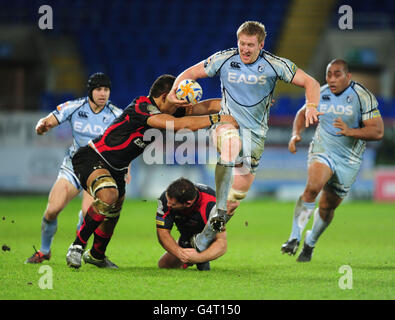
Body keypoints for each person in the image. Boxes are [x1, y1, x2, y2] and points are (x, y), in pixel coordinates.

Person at [167, 20, 322, 252]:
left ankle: (201, 241)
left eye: (250, 45)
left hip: (255, 137)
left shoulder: (275, 65)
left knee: (234, 201)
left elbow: (311, 82)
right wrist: (173, 92)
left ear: (261, 44)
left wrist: (311, 105)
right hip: (226, 124)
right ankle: (218, 208)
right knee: (231, 144)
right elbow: (189, 73)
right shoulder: (225, 59)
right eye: (242, 44)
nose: (245, 49)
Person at [65, 74, 238, 269]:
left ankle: (96, 255)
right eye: (176, 102)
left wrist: (243, 106)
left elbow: (208, 105)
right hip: (92, 156)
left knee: (112, 213)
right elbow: (183, 125)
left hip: (117, 168)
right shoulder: (142, 107)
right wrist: (219, 119)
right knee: (108, 194)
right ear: (165, 96)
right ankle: (77, 246)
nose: (180, 109)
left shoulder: (170, 110)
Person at [281, 59, 384, 262]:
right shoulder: (321, 93)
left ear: (348, 76)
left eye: (337, 74)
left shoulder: (363, 96)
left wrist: (351, 132)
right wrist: (295, 134)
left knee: (327, 208)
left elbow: (378, 131)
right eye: (329, 74)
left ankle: (310, 243)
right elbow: (302, 114)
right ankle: (294, 236)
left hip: (349, 160)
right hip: (323, 149)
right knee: (313, 188)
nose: (332, 79)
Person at [25, 72, 126, 264]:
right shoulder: (75, 107)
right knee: (52, 210)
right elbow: (50, 119)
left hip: (98, 170)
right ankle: (45, 251)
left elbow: (125, 143)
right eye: (98, 89)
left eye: (106, 89)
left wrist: (125, 167)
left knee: (91, 214)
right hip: (73, 166)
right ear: (90, 91)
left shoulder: (116, 115)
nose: (103, 93)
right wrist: (42, 125)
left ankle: (77, 249)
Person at [156, 177, 227, 271]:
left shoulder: (213, 206)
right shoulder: (168, 198)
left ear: (188, 203)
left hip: (208, 236)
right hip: (185, 234)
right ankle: (187, 245)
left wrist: (198, 257)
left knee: (202, 253)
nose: (168, 205)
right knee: (164, 264)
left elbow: (221, 244)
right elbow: (162, 233)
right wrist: (181, 254)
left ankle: (202, 251)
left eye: (173, 205)